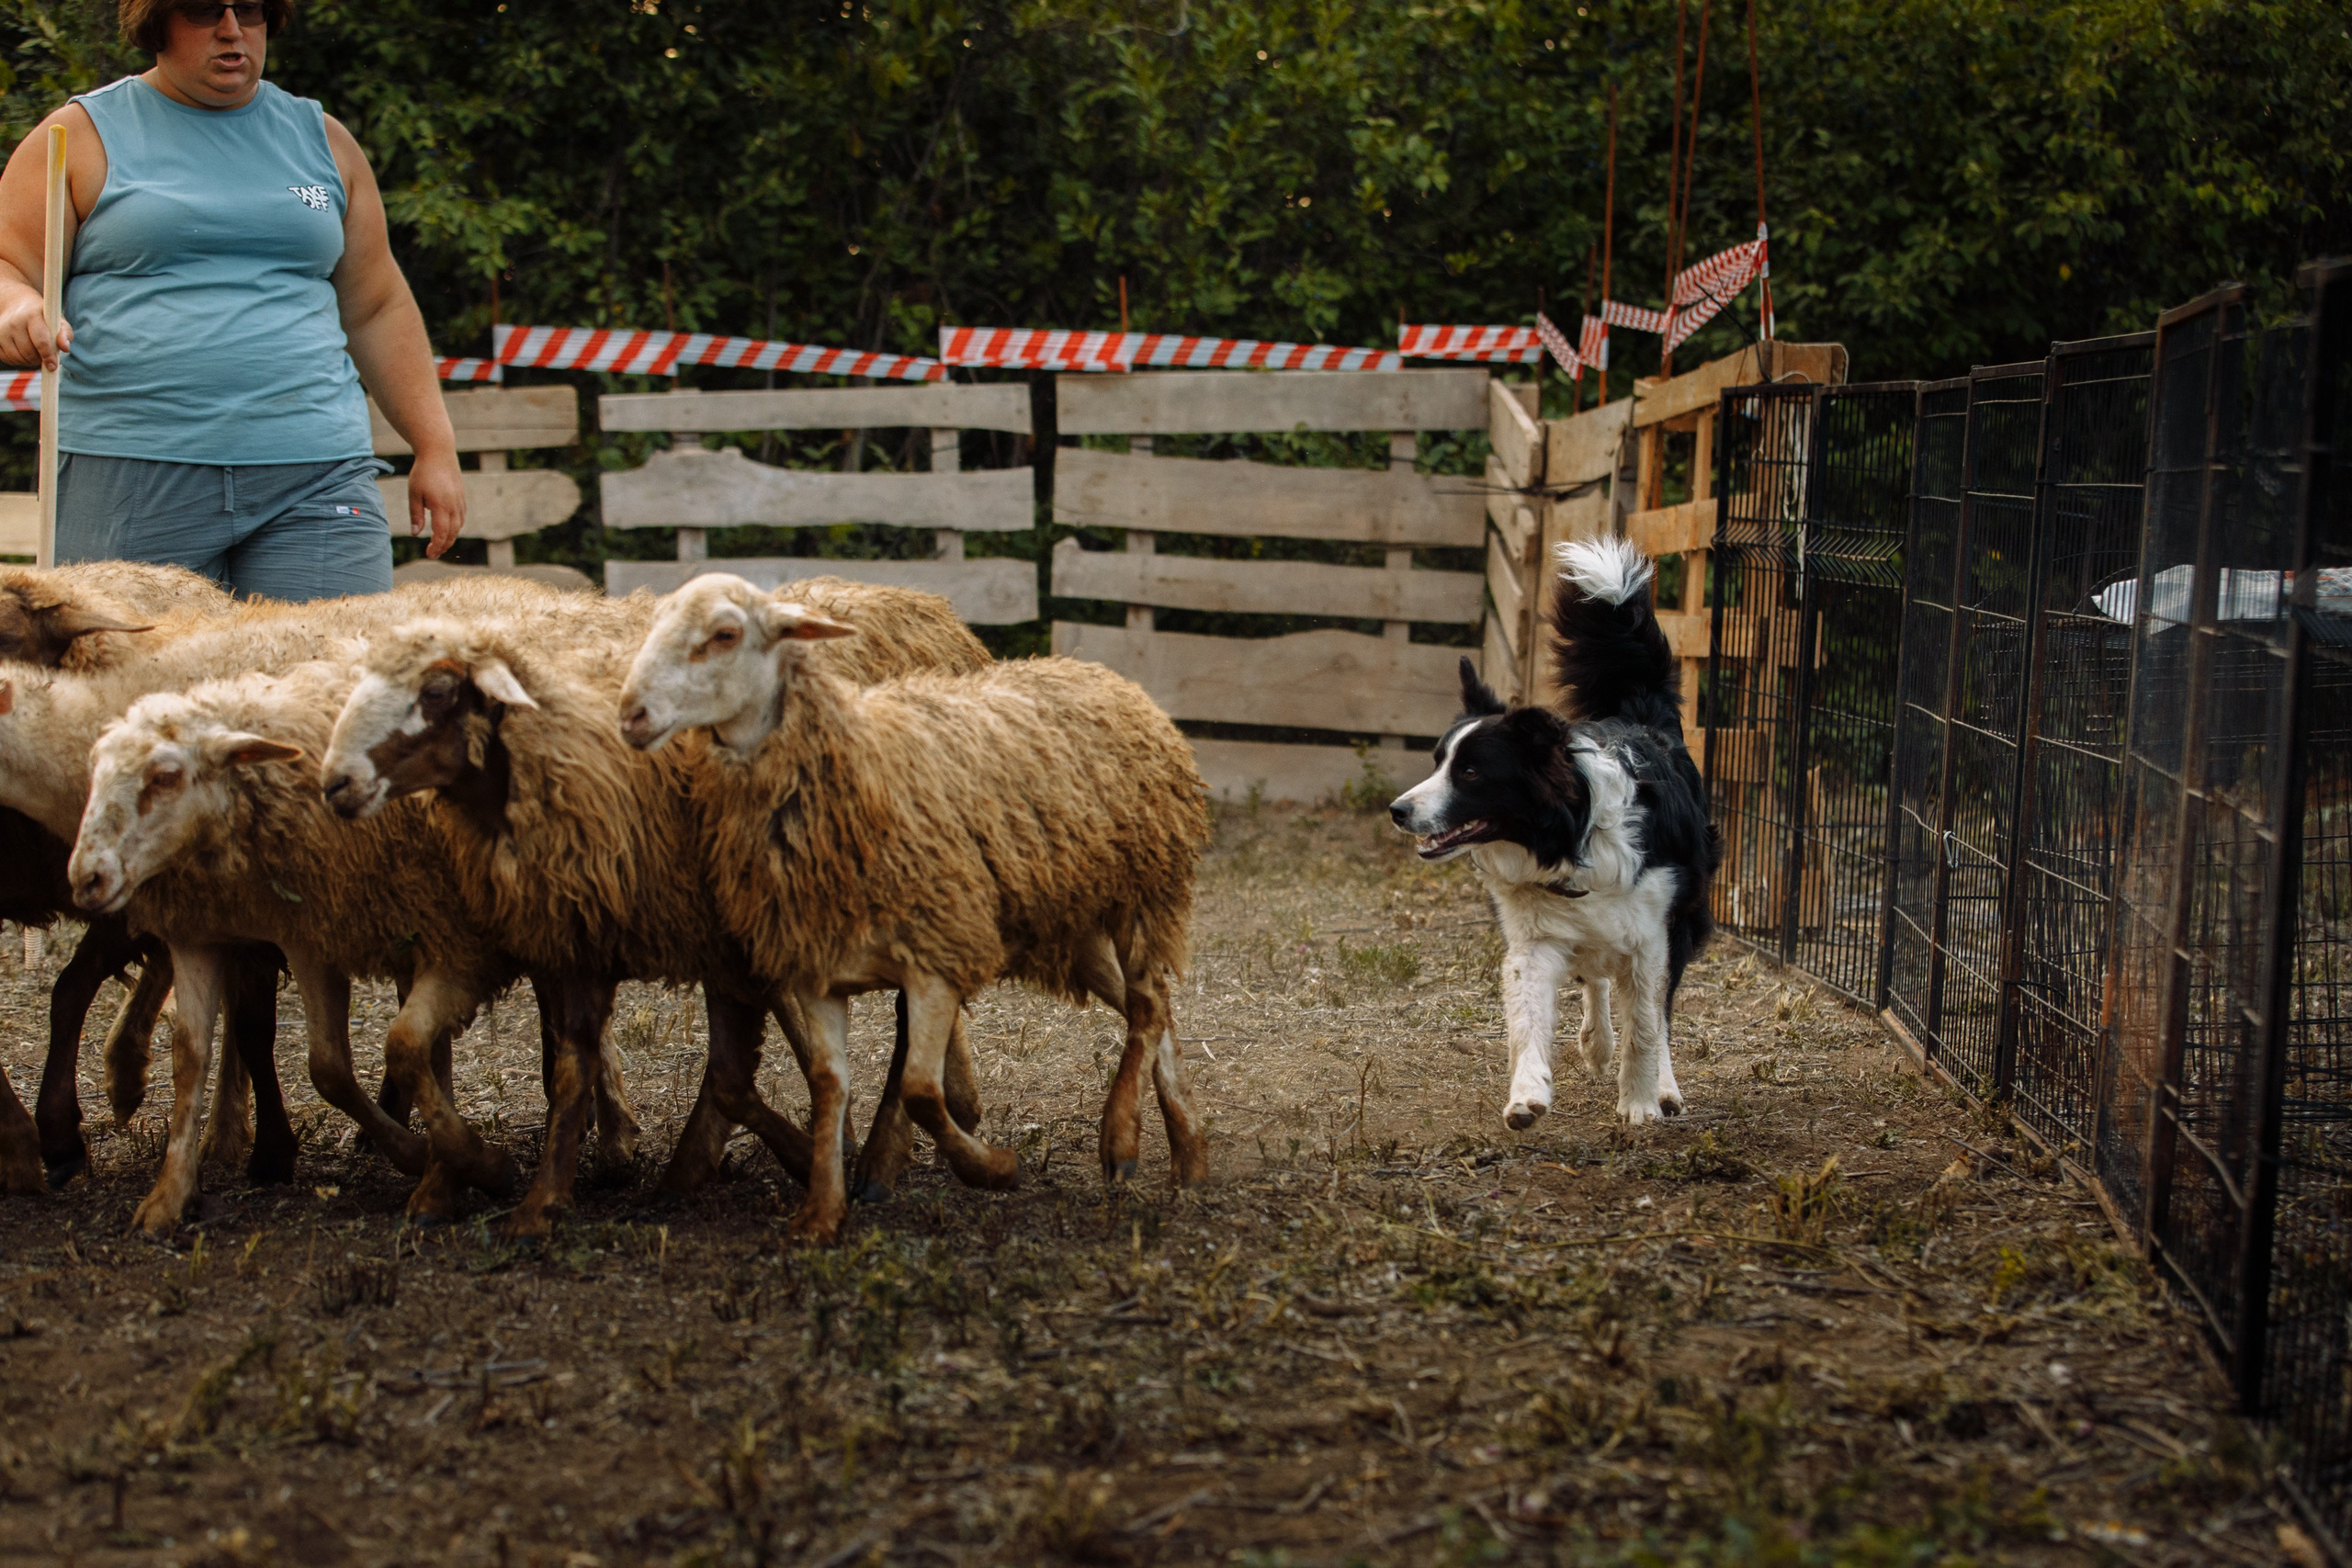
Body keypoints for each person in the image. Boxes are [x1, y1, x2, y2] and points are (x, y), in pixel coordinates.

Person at [0, 0, 462, 599]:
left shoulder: (324, 142)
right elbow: (8, 266)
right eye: (201, 11)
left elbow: (377, 305)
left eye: (248, 9)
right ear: (156, 22)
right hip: (130, 470)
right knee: (125, 685)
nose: (230, 29)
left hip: (317, 476)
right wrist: (16, 307)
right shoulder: (76, 136)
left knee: (325, 683)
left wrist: (435, 445)